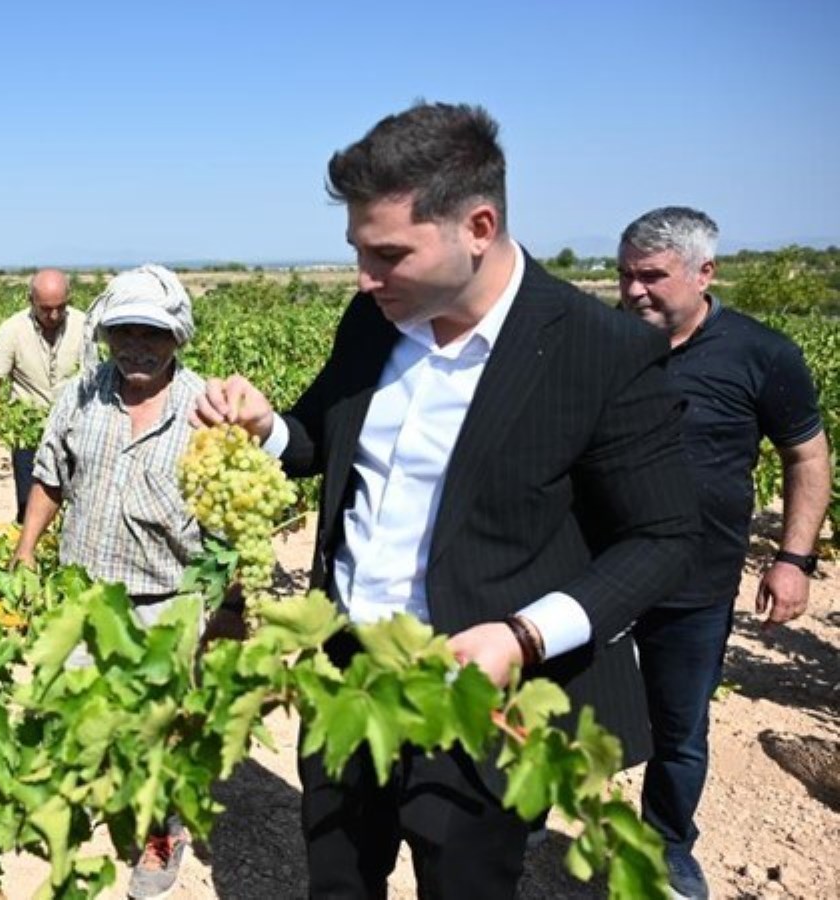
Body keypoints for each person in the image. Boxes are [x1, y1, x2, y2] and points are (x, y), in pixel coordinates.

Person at [195, 102, 701, 898]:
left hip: (477, 692)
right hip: (346, 674)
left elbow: (666, 538)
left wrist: (526, 636)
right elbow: (321, 443)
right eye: (358, 252)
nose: (365, 277)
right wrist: (266, 428)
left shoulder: (596, 352)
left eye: (388, 254)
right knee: (336, 882)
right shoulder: (373, 320)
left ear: (478, 225)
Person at [617, 206, 829, 900]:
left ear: (705, 273)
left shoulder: (763, 354)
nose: (634, 292)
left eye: (652, 276)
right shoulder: (605, 344)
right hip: (598, 573)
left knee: (680, 728)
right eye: (625, 276)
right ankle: (524, 821)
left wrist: (793, 559)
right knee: (562, 704)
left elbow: (805, 456)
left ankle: (668, 845)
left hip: (697, 578)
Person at [12, 264, 203, 900]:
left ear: (177, 336)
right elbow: (49, 476)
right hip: (84, 592)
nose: (137, 347)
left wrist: (231, 603)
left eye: (151, 334)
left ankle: (159, 836)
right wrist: (25, 548)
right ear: (106, 335)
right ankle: (79, 802)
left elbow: (232, 522)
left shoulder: (206, 411)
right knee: (75, 706)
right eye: (124, 333)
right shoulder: (81, 394)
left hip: (165, 601)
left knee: (160, 730)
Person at [0, 268, 86, 522]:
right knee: (29, 509)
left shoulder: (84, 326)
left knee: (75, 509)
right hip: (28, 435)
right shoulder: (12, 329)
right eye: (46, 308)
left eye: (60, 307)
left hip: (74, 430)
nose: (54, 314)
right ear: (31, 300)